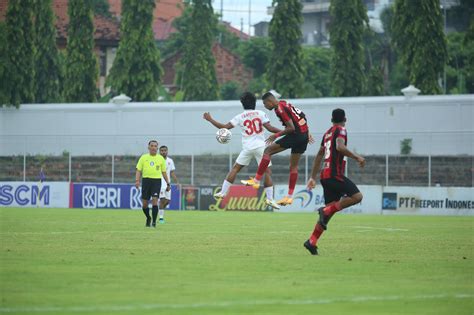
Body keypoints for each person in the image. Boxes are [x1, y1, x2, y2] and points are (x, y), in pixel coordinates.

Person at [203, 91, 283, 209]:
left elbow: (224, 127)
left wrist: (210, 119)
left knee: (235, 168)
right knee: (267, 172)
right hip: (261, 147)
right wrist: (283, 132)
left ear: (242, 104)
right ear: (255, 103)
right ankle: (270, 199)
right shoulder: (261, 113)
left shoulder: (239, 117)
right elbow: (270, 128)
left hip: (247, 147)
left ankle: (223, 192)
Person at [304, 108, 365, 255]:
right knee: (357, 197)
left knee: (328, 214)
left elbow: (319, 154)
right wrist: (357, 157)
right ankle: (325, 210)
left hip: (325, 176)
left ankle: (311, 241)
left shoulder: (327, 133)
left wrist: (312, 177)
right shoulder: (341, 130)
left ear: (332, 120)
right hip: (334, 174)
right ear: (345, 119)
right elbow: (340, 147)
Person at [241, 90, 312, 206]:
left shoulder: (279, 109)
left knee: (267, 151)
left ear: (270, 101)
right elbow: (302, 117)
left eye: (265, 104)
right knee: (293, 166)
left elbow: (291, 128)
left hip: (296, 135)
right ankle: (289, 197)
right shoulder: (284, 103)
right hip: (303, 136)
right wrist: (307, 132)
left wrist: (276, 135)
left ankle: (256, 180)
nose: (265, 106)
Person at [135, 140, 171, 228]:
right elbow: (138, 170)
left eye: (155, 146)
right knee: (144, 204)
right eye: (152, 146)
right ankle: (148, 217)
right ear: (148, 147)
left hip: (156, 181)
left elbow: (164, 172)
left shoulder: (160, 158)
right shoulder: (143, 157)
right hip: (146, 181)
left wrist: (168, 183)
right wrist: (137, 181)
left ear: (157, 148)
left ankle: (154, 222)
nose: (153, 147)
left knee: (155, 201)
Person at [158, 145, 179, 224]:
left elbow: (172, 172)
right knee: (162, 200)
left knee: (167, 201)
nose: (163, 152)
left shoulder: (170, 161)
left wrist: (176, 182)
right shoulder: (157, 160)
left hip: (168, 183)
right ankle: (161, 218)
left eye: (165, 150)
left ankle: (159, 210)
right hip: (159, 183)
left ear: (167, 151)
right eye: (162, 150)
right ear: (159, 152)